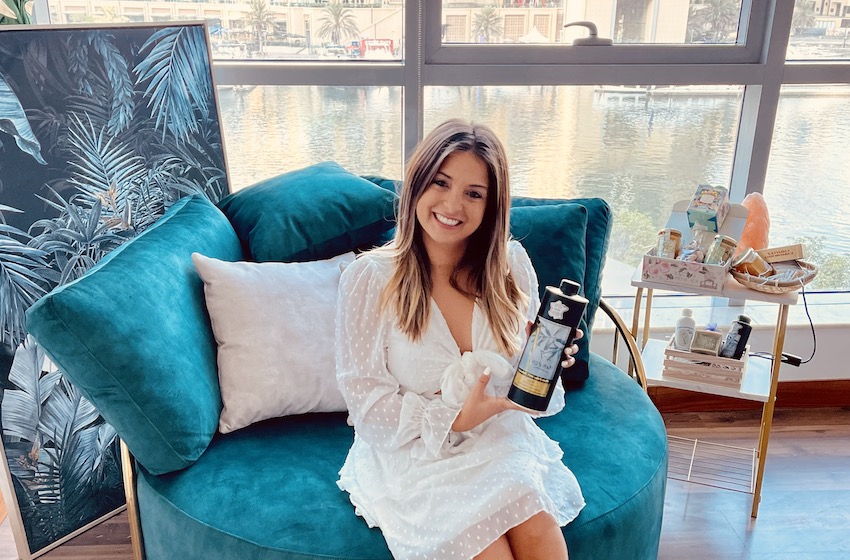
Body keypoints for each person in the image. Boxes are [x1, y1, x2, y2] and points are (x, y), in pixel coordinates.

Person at [335, 119, 585, 559]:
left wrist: (543, 362)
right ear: (417, 183)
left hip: (498, 438)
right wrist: (453, 420)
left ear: (492, 205)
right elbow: (366, 402)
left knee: (540, 532)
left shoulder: (510, 265)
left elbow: (517, 392)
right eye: (441, 182)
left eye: (474, 193)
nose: (453, 205)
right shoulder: (370, 279)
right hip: (415, 451)